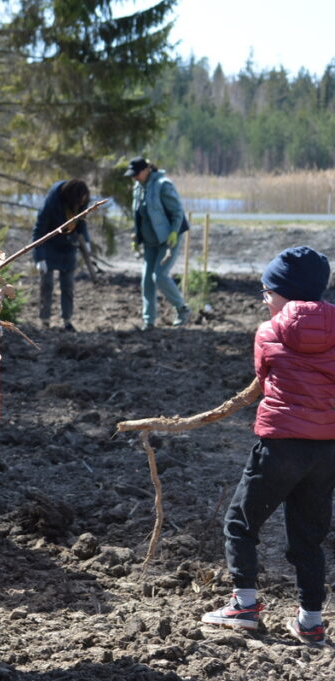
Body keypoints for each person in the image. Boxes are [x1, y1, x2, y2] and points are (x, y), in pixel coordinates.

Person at [200, 246, 335, 645]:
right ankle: (311, 621)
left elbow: (262, 376)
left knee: (241, 524)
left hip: (279, 447)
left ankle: (244, 605)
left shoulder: (267, 332)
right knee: (308, 536)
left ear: (285, 294)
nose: (264, 299)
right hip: (327, 450)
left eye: (267, 292)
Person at [125, 156, 190, 330]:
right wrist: (136, 236)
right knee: (147, 280)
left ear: (146, 170)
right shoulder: (138, 187)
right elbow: (139, 215)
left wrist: (175, 232)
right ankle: (149, 321)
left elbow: (177, 212)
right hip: (149, 242)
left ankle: (182, 309)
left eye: (136, 174)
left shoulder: (163, 185)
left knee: (159, 275)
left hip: (168, 239)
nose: (134, 177)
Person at [31, 179, 91, 331]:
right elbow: (39, 230)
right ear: (72, 197)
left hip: (68, 247)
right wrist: (40, 258)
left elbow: (81, 222)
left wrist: (86, 240)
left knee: (68, 285)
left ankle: (67, 320)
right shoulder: (51, 203)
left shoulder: (81, 200)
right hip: (49, 246)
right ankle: (45, 320)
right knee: (47, 285)